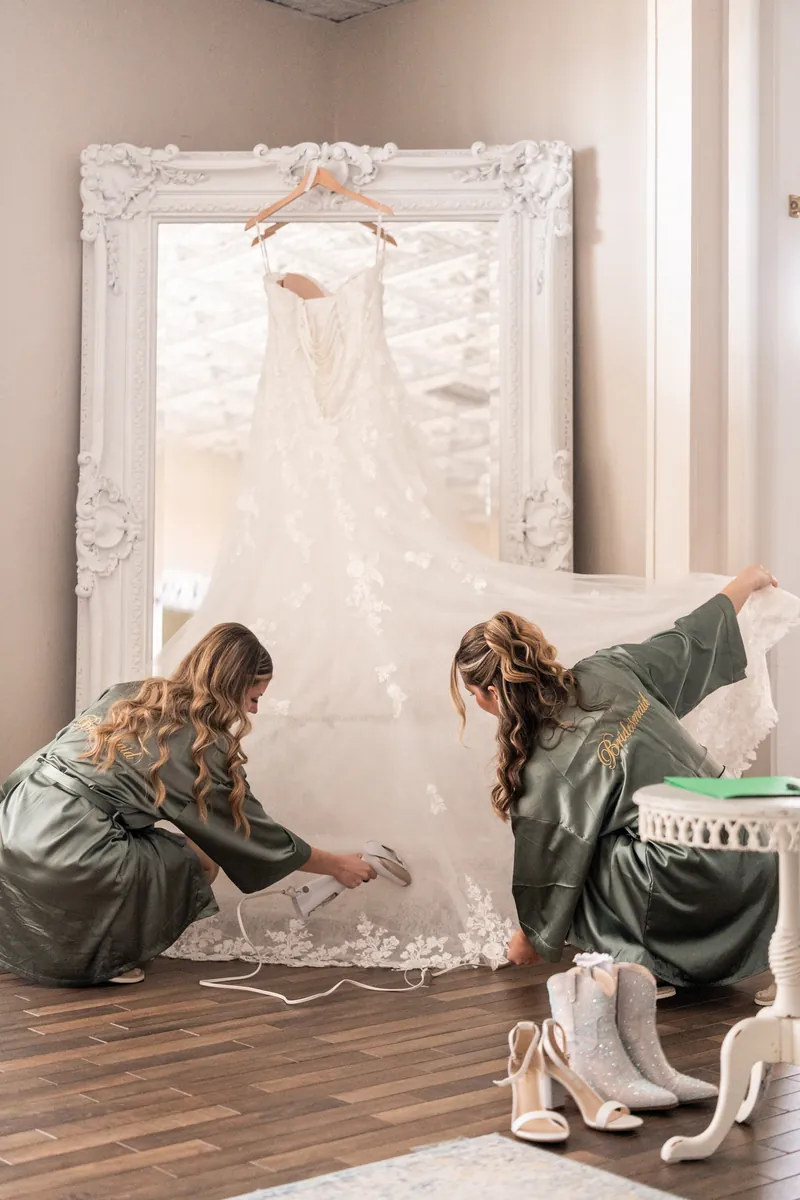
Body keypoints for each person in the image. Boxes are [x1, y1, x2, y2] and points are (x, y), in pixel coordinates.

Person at [450, 565, 781, 989]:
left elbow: (546, 871)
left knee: (582, 852)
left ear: (493, 694)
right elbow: (690, 640)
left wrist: (529, 938)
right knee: (611, 824)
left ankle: (643, 966)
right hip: (753, 845)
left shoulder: (539, 769)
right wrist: (745, 583)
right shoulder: (609, 668)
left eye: (473, 695)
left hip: (695, 884)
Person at [0, 623, 375, 988]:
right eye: (254, 698)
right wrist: (338, 865)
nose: (255, 711)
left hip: (14, 821)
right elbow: (250, 832)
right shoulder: (200, 746)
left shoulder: (128, 694)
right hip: (68, 851)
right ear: (233, 688)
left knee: (167, 835)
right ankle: (108, 958)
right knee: (202, 860)